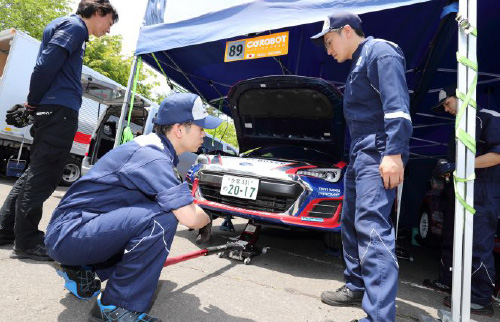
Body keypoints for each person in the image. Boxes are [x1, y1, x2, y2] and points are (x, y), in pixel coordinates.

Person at [44, 92, 219, 321]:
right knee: (162, 218)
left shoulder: (153, 149)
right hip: (70, 235)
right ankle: (117, 307)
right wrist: (207, 217)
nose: (204, 135)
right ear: (179, 129)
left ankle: (83, 271)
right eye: (201, 128)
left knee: (151, 216)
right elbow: (189, 217)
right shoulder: (152, 156)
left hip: (72, 232)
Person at [311, 12, 412, 321]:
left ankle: (380, 316)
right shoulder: (358, 62)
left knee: (372, 229)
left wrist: (393, 152)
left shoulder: (381, 51)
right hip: (361, 153)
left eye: (329, 42)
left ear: (346, 31)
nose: (328, 51)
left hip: (380, 150)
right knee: (352, 223)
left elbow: (397, 108)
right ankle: (356, 285)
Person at [0, 0, 119, 261]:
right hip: (59, 111)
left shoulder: (61, 25)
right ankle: (28, 242)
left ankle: (6, 230)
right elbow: (45, 65)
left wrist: (35, 103)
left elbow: (48, 64)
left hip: (52, 109)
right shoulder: (75, 27)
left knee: (35, 173)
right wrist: (32, 102)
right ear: (99, 12)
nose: (108, 30)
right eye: (109, 23)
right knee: (43, 177)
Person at [423, 85, 500, 317]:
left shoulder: (488, 118)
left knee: (479, 243)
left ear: (461, 95)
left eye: (448, 104)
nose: (446, 110)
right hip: (460, 191)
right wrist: (445, 170)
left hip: (484, 191)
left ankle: (481, 297)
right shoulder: (458, 127)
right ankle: (449, 280)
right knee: (453, 237)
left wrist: (459, 166)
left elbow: (497, 155)